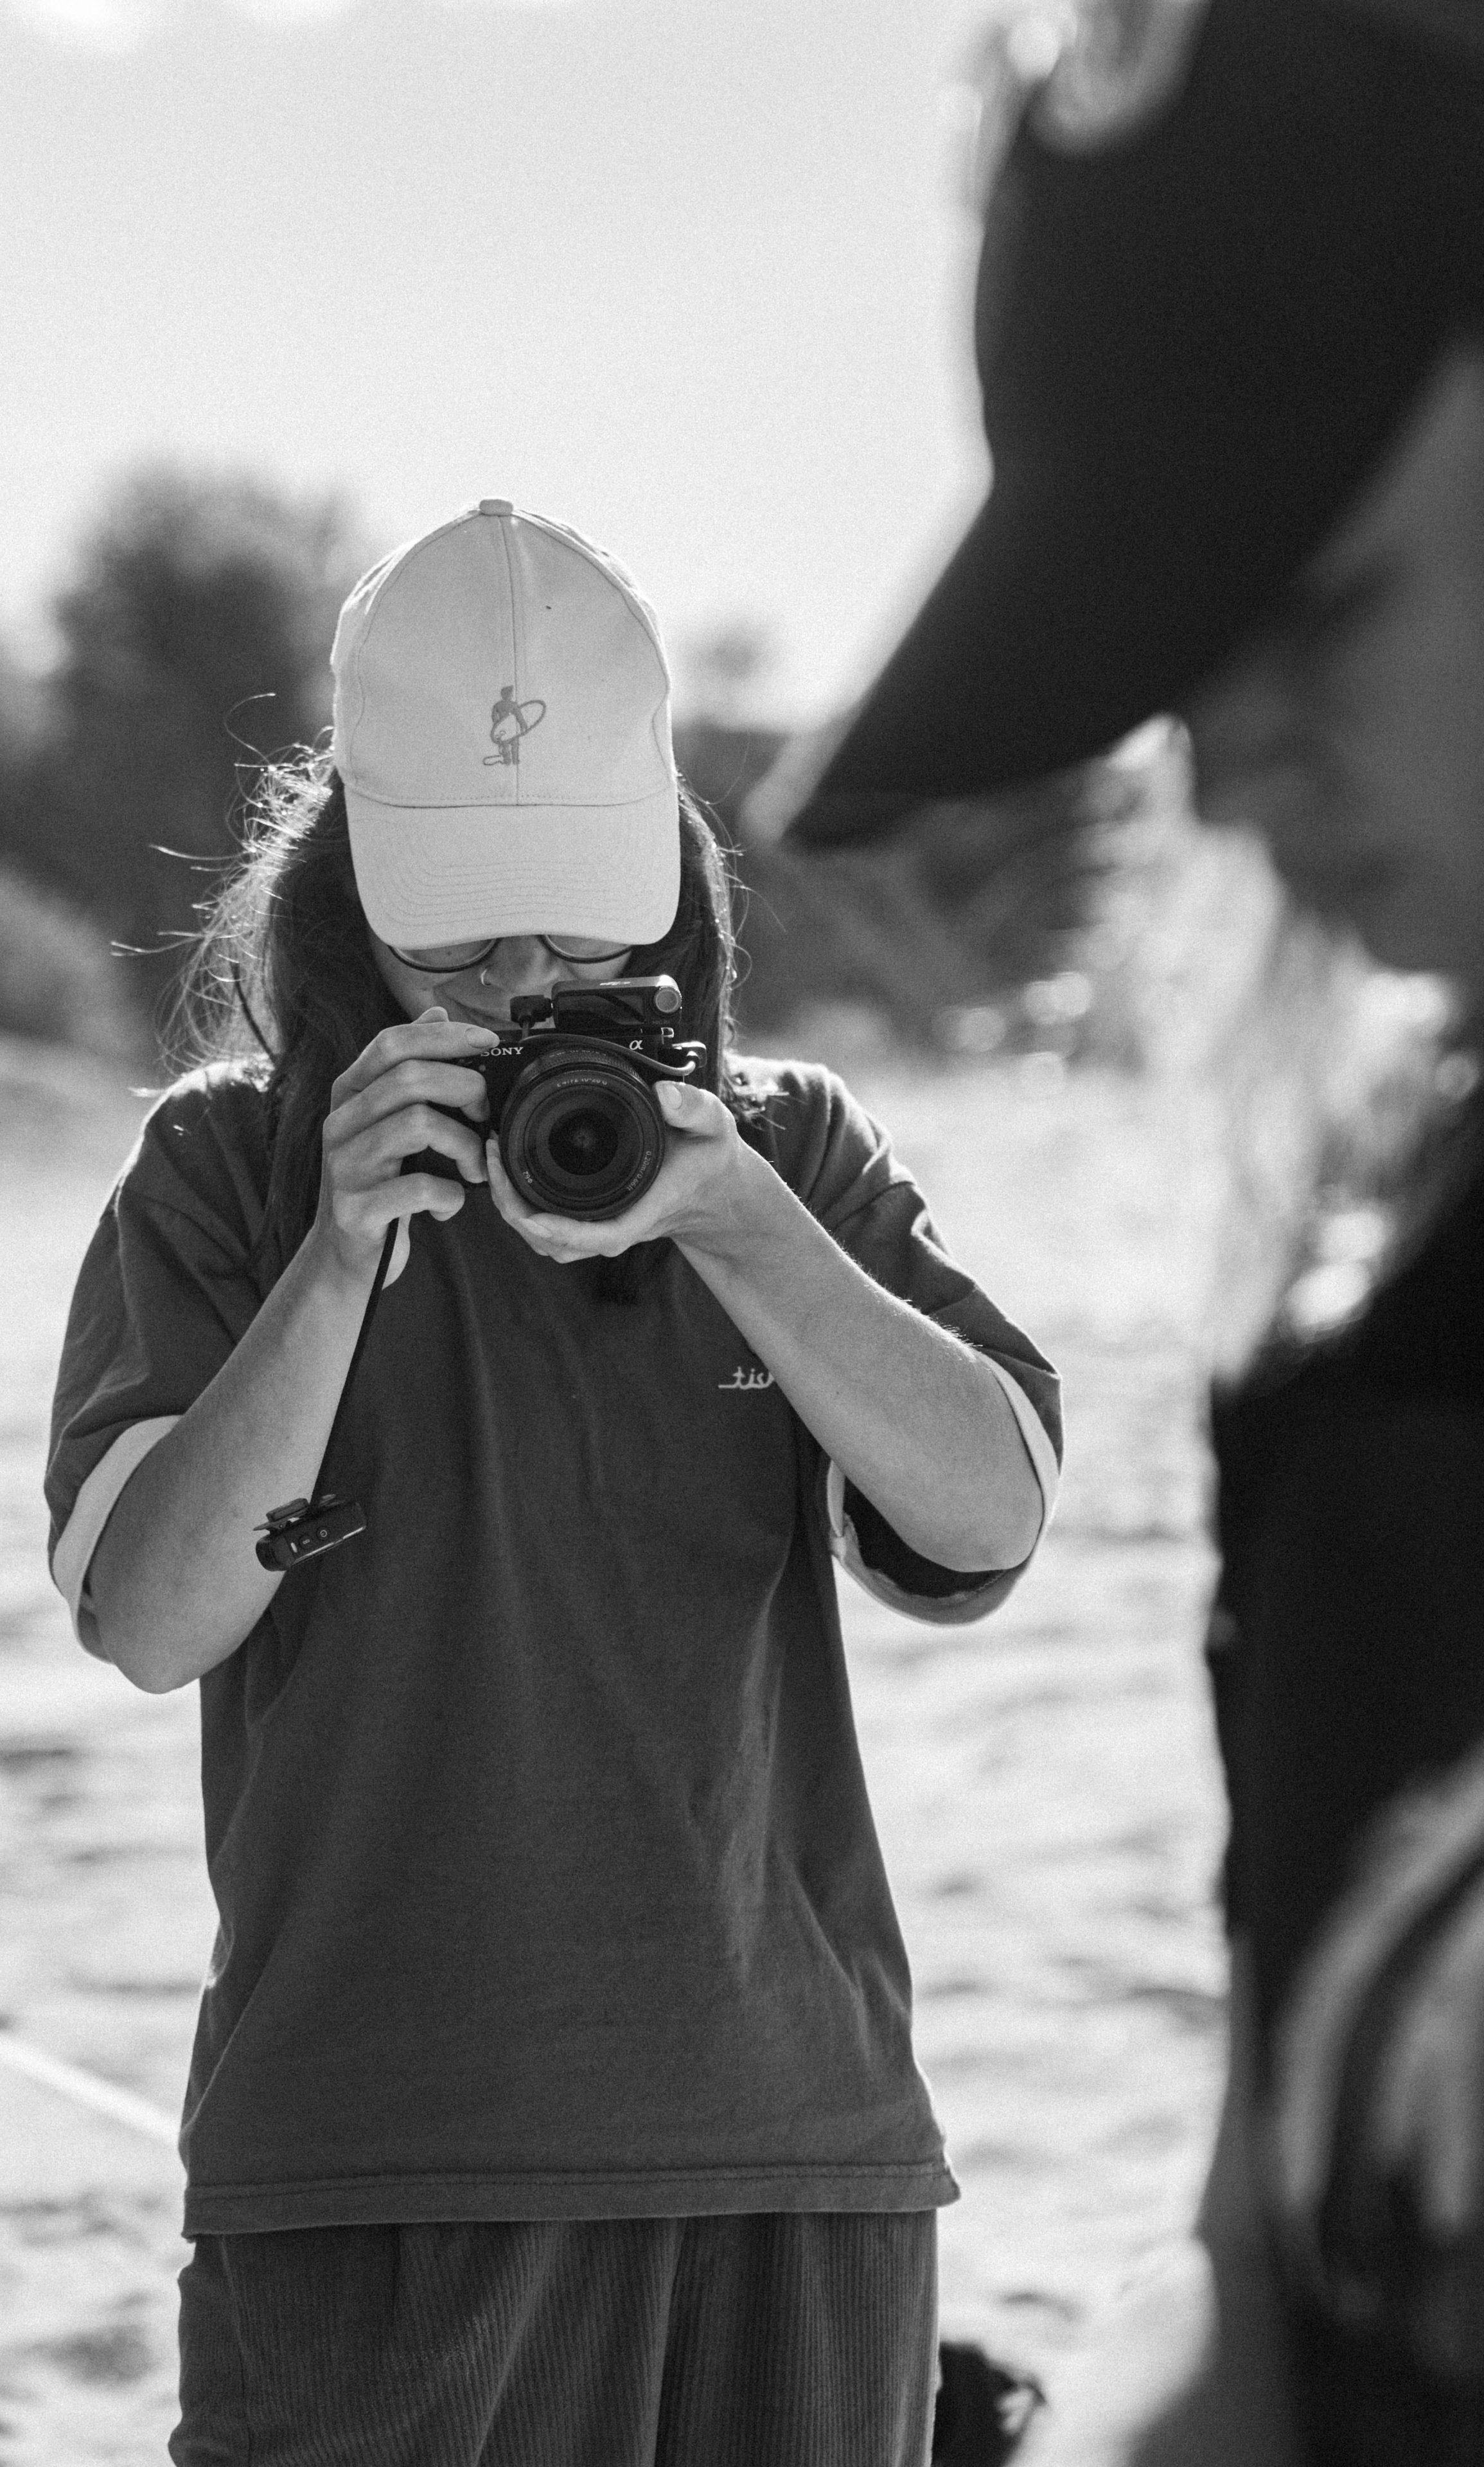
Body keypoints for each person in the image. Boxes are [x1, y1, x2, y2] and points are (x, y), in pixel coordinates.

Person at [784, 1, 1484, 2456]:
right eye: (1172, 650)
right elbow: (1273, 2278)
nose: (1223, 762)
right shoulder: (1387, 1333)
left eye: (1314, 595)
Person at [45, 499, 1063, 2467]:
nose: (526, 977)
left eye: (581, 923)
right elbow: (151, 1618)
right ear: (351, 877)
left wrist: (746, 1225)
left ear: (670, 874)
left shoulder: (784, 1157)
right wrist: (338, 1258)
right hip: (371, 2178)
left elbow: (995, 1509)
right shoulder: (222, 1180)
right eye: (469, 929)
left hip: (800, 2166)